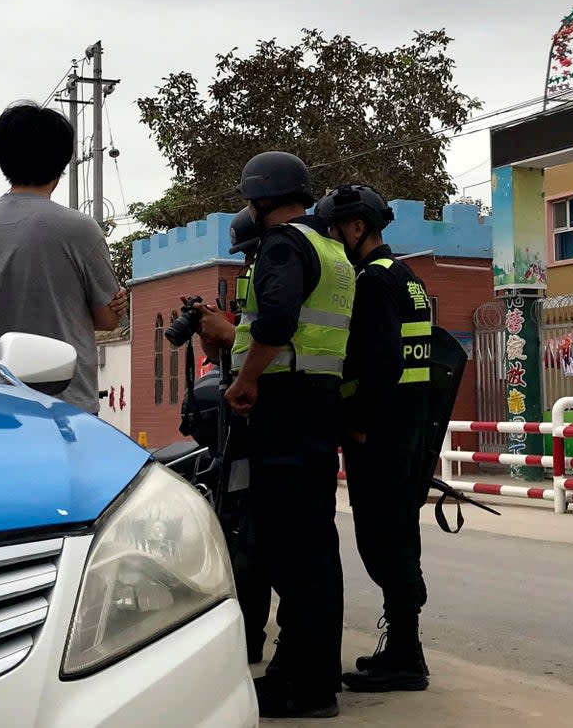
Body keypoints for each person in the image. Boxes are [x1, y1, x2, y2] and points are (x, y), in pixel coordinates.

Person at [224, 152, 355, 720]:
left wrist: (245, 380)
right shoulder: (334, 250)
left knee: (289, 548)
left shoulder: (282, 245)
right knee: (315, 544)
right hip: (319, 407)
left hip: (285, 403)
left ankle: (303, 685)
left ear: (259, 200)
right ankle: (313, 673)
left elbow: (275, 323)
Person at [315, 184, 433, 693]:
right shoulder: (406, 277)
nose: (332, 237)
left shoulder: (371, 282)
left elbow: (379, 360)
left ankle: (405, 658)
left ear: (357, 228)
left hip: (379, 434)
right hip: (406, 428)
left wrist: (357, 419)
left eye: (336, 229)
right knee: (399, 534)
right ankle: (404, 650)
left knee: (383, 539)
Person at [0, 102, 127, 415]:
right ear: (62, 162)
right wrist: (116, 303)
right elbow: (108, 319)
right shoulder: (79, 229)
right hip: (63, 399)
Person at [189, 207, 272, 665]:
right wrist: (213, 334)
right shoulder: (257, 277)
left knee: (257, 541)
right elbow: (242, 341)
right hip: (243, 429)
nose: (246, 263)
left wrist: (232, 332)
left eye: (249, 253)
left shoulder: (285, 268)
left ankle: (258, 639)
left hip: (268, 421)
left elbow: (275, 336)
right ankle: (248, 638)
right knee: (241, 533)